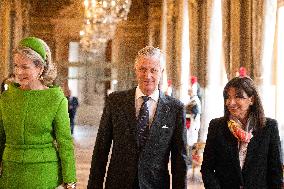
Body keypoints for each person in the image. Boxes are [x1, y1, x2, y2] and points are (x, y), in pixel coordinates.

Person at [87, 46, 188, 189]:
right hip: (118, 184)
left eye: (153, 70)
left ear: (162, 72)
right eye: (142, 69)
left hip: (156, 184)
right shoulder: (115, 101)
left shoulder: (175, 109)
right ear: (135, 71)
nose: (148, 76)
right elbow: (100, 151)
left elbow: (179, 160)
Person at [0, 37, 77, 189]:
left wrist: (70, 180)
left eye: (25, 67)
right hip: (10, 174)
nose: (18, 72)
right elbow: (0, 136)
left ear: (40, 68)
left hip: (44, 174)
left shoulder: (56, 98)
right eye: (16, 66)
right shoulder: (7, 97)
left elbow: (65, 142)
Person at [201, 76, 283, 188]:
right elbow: (207, 168)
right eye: (227, 97)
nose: (231, 103)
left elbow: (275, 172)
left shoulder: (269, 127)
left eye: (238, 97)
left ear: (252, 99)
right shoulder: (217, 126)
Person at [185, 86, 201, 166]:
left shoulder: (195, 100)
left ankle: (191, 161)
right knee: (189, 142)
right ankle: (189, 160)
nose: (188, 92)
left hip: (193, 124)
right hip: (190, 124)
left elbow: (194, 112)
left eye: (189, 91)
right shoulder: (192, 100)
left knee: (192, 142)